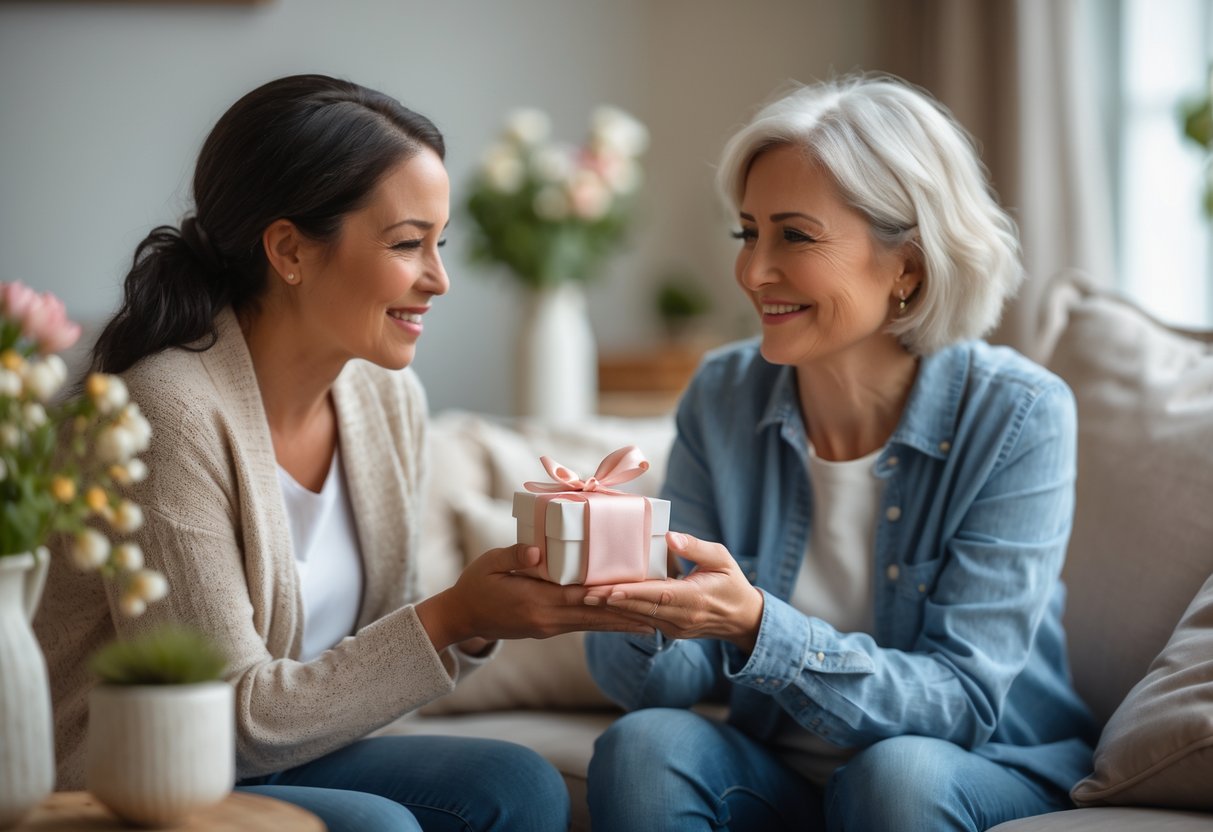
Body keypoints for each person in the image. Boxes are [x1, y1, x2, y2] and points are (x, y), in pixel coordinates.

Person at [33, 74, 655, 832]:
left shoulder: (386, 400)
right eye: (406, 244)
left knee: (517, 783)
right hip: (132, 775)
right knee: (375, 827)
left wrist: (488, 615)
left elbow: (368, 661)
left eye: (439, 242)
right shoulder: (167, 412)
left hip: (278, 755)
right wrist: (454, 613)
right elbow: (226, 719)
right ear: (290, 250)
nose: (439, 279)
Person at [582, 74, 1098, 832]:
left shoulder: (1019, 413)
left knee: (896, 776)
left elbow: (961, 703)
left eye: (793, 235)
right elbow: (659, 688)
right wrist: (624, 590)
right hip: (776, 768)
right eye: (746, 232)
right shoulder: (724, 391)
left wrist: (760, 627)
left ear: (907, 267)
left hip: (975, 767)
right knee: (643, 745)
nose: (753, 271)